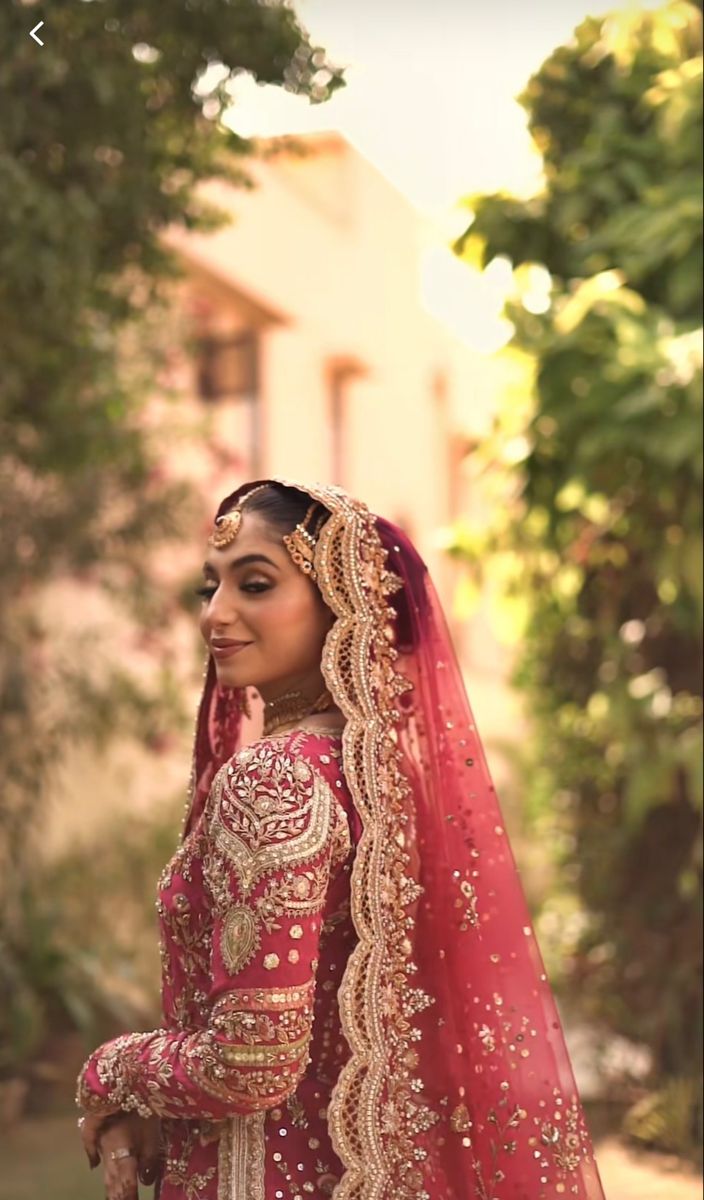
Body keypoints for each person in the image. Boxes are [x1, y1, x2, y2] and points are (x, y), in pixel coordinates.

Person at [77, 477, 606, 1200]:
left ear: (340, 607)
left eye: (255, 584)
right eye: (211, 588)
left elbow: (251, 1060)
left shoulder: (272, 779)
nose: (217, 615)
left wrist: (110, 1072)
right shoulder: (376, 786)